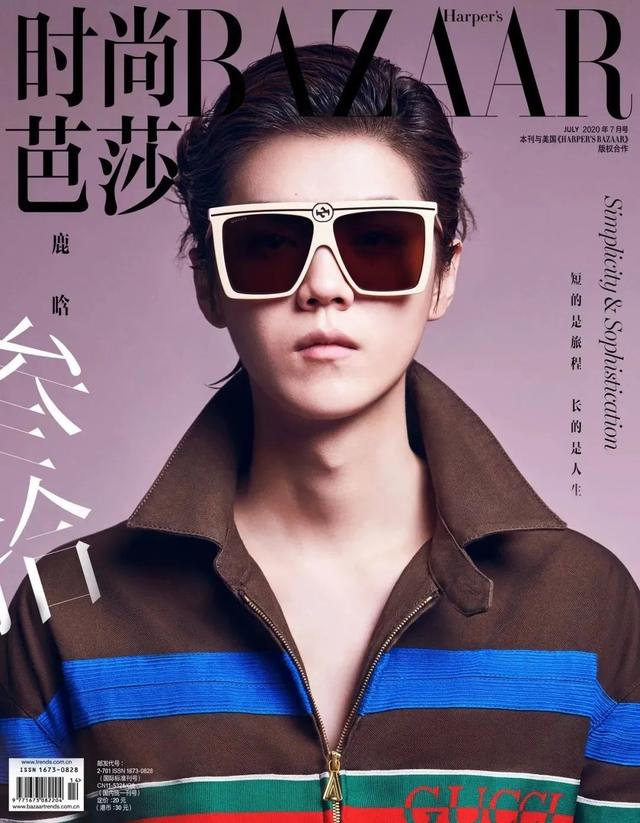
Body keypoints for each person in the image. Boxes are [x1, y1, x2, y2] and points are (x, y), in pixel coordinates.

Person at [1, 44, 639, 823]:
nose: (325, 287)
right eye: (269, 243)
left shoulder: (586, 604)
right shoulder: (69, 611)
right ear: (209, 283)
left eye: (379, 241)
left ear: (443, 273)